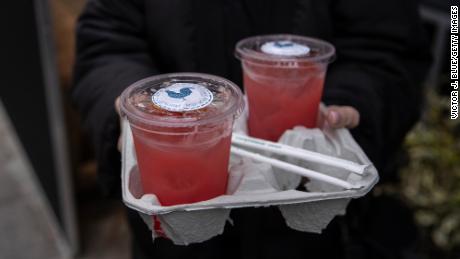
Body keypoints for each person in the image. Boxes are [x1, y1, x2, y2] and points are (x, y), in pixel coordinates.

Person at [72, 0, 431, 258]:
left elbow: (387, 47)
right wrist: (125, 102)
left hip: (314, 232)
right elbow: (107, 41)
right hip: (170, 235)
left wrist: (351, 100)